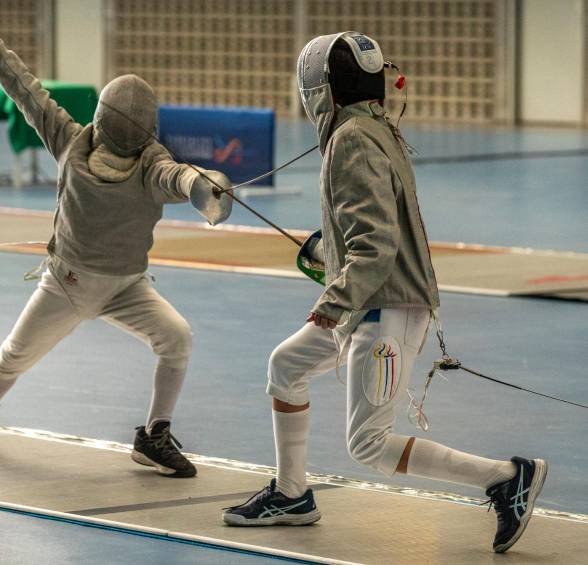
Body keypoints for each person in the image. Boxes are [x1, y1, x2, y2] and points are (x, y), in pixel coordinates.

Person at [222, 32, 547, 553]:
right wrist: (329, 252)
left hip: (382, 311)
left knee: (368, 444)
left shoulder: (352, 138)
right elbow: (373, 227)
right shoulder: (374, 127)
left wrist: (331, 302)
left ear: (323, 89)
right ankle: (292, 494)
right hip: (368, 304)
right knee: (286, 365)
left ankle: (507, 476)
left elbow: (374, 247)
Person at [0, 12, 234, 479]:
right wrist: (202, 184)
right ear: (149, 126)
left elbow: (29, 93)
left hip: (126, 285)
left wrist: (204, 186)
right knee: (14, 355)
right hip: (66, 284)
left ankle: (154, 436)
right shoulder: (92, 149)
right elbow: (28, 94)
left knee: (176, 338)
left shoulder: (115, 154)